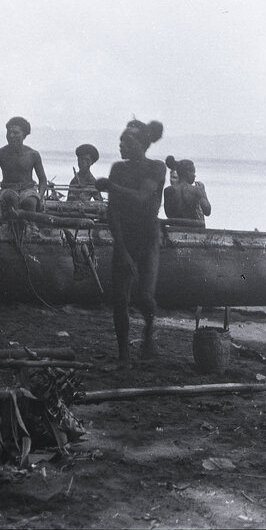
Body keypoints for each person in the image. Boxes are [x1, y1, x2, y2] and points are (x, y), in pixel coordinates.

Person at [94, 119, 167, 364]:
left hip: (148, 236)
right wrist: (121, 248)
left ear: (141, 144)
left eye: (126, 142)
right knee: (120, 299)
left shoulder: (156, 167)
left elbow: (142, 197)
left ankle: (148, 331)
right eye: (120, 141)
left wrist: (110, 186)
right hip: (125, 235)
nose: (121, 146)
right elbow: (112, 211)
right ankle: (123, 354)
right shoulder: (118, 169)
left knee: (145, 297)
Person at [0, 117, 48, 214]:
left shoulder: (33, 155)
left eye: (16, 133)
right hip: (8, 189)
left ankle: (28, 222)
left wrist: (40, 196)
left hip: (28, 190)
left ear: (24, 135)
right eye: (9, 132)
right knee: (10, 199)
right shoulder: (0, 153)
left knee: (30, 203)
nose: (11, 136)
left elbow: (43, 179)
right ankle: (11, 222)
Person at [163, 156, 211, 223]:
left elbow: (168, 214)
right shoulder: (196, 190)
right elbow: (207, 211)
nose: (194, 175)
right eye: (193, 173)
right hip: (192, 226)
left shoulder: (167, 190)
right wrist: (203, 192)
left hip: (174, 226)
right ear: (188, 173)